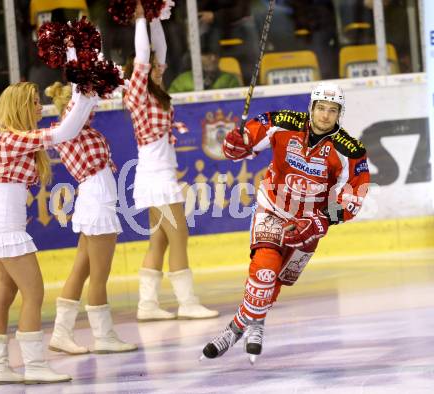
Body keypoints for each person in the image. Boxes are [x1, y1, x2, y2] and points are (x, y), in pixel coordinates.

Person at [201, 82, 370, 363]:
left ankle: (254, 321)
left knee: (277, 280)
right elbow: (245, 141)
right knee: (265, 269)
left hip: (310, 222)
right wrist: (235, 145)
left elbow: (353, 199)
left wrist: (319, 221)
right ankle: (234, 331)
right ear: (311, 107)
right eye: (321, 108)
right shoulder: (282, 122)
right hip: (274, 208)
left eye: (332, 110)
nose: (325, 115)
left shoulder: (350, 150)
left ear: (339, 113)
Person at [0, 82, 97, 384]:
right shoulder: (14, 139)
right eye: (35, 102)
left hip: (3, 224)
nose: (40, 107)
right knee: (33, 292)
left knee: (3, 295)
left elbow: (65, 131)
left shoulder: (15, 139)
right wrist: (83, 95)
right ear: (21, 106)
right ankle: (35, 364)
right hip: (4, 227)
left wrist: (85, 99)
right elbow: (64, 132)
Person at [124, 2, 219, 321]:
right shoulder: (136, 94)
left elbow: (158, 51)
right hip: (156, 176)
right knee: (179, 235)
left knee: (160, 239)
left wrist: (155, 18)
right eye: (151, 67)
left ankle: (147, 305)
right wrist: (139, 20)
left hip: (157, 174)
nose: (157, 67)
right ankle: (187, 302)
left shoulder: (157, 89)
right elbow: (142, 57)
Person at [46, 45, 137, 355]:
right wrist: (73, 51)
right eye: (85, 103)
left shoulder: (77, 126)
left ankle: (61, 333)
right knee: (99, 276)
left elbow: (84, 94)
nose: (91, 107)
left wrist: (82, 50)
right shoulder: (68, 125)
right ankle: (103, 336)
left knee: (82, 270)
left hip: (95, 199)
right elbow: (80, 94)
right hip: (96, 201)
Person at [168, 39, 241, 93]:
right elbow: (169, 106)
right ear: (195, 56)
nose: (213, 58)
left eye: (216, 53)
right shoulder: (181, 81)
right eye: (207, 54)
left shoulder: (230, 80)